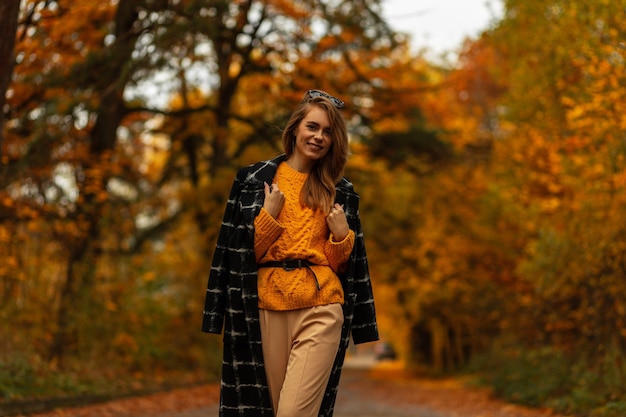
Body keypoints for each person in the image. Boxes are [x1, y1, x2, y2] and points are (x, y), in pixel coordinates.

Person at [202, 89, 379, 417]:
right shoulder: (253, 180)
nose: (319, 137)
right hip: (265, 306)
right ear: (295, 127)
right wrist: (267, 217)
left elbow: (345, 268)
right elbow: (236, 254)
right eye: (313, 127)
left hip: (321, 306)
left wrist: (342, 238)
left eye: (328, 132)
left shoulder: (340, 190)